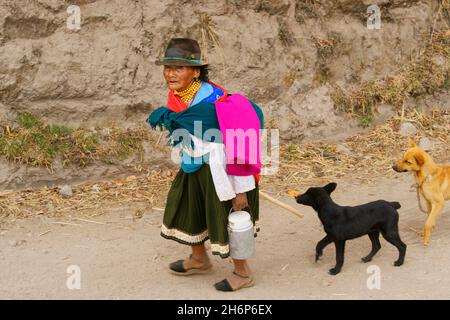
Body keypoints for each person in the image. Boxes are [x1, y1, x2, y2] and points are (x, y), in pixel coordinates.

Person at [148, 38, 263, 291]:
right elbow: (184, 129)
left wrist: (240, 189)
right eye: (168, 67)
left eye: (178, 68)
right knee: (189, 209)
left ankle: (243, 273)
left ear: (196, 71)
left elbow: (238, 144)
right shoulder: (179, 97)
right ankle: (199, 259)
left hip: (224, 171)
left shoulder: (215, 102)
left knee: (227, 218)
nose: (170, 73)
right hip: (194, 165)